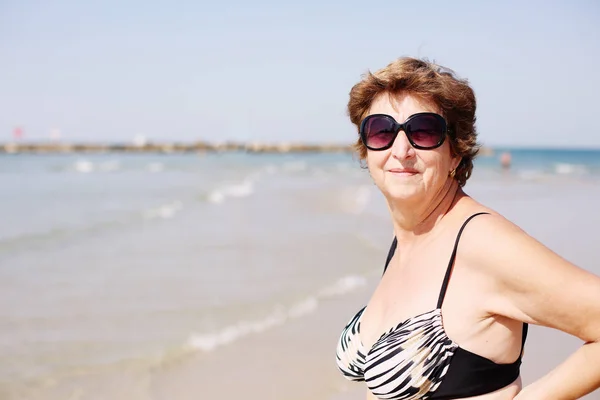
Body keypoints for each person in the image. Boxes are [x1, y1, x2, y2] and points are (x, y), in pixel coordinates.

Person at [335, 57, 600, 400]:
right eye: (382, 130)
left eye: (424, 131)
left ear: (455, 153)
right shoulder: (410, 236)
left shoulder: (481, 242)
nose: (401, 150)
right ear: (366, 148)